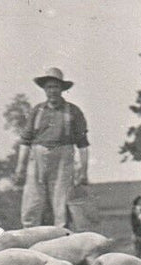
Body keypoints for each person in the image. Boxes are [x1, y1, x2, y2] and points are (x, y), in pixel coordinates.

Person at [14, 66, 90, 229]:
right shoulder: (37, 111)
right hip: (38, 156)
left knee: (61, 200)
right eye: (49, 87)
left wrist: (83, 171)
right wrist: (20, 167)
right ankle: (29, 237)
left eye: (56, 87)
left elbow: (82, 144)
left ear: (62, 89)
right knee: (32, 200)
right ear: (44, 90)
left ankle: (61, 238)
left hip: (63, 157)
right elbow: (25, 141)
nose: (52, 91)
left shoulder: (73, 111)